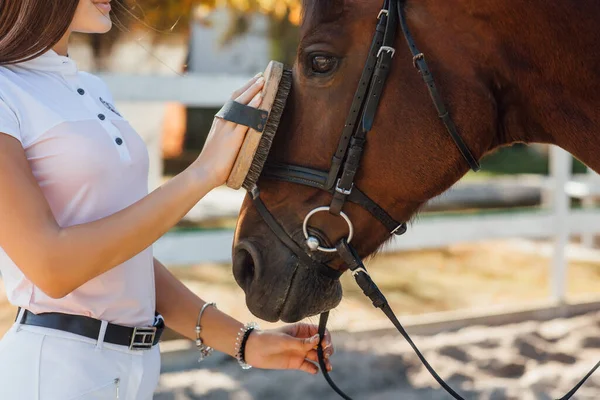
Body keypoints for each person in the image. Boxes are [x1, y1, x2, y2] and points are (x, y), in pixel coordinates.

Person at [0, 0, 333, 399]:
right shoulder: (5, 94)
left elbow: (124, 259)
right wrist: (202, 173)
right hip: (56, 373)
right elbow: (52, 268)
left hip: (136, 371)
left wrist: (246, 342)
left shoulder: (90, 88)